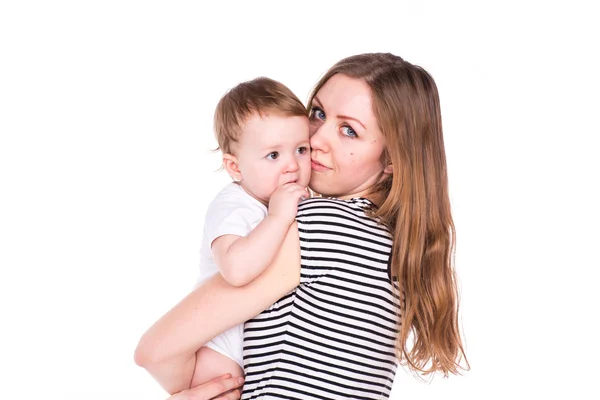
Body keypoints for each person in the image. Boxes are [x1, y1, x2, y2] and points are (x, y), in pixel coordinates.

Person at [135, 52, 469, 399]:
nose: (316, 140)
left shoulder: (319, 225)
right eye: (318, 114)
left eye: (349, 131)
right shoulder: (395, 247)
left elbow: (155, 351)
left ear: (392, 160)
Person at [173, 77, 311, 392]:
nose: (292, 165)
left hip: (259, 346)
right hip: (219, 342)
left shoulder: (293, 199)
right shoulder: (234, 205)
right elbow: (236, 270)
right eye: (273, 156)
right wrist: (277, 217)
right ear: (235, 167)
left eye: (301, 149)